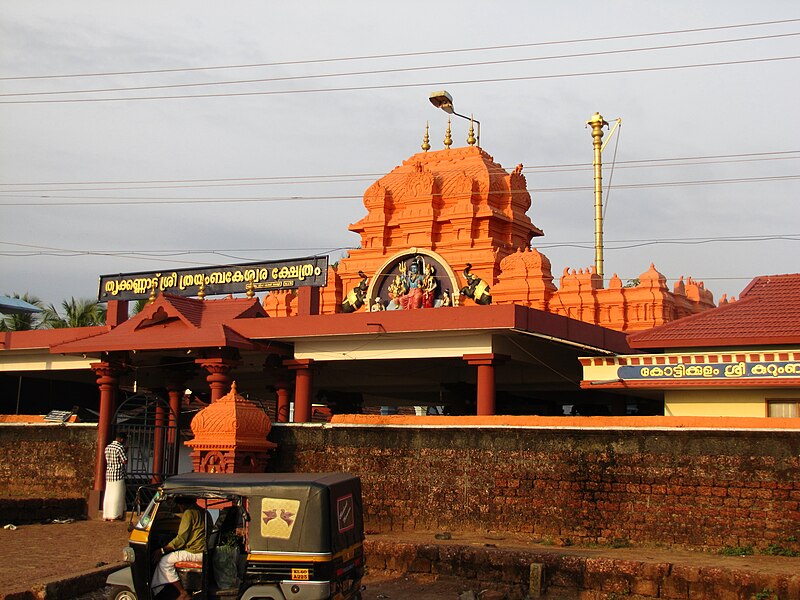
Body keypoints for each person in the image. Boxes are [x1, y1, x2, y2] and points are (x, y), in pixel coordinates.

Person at [151, 496, 208, 600]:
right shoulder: (204, 512)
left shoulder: (189, 513)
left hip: (195, 552)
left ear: (182, 505)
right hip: (204, 551)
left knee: (164, 561)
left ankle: (182, 592)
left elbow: (181, 539)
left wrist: (163, 549)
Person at [102, 432, 127, 521]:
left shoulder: (107, 448)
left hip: (109, 474)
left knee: (108, 494)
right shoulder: (120, 447)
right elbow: (124, 461)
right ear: (122, 440)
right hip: (118, 474)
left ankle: (106, 515)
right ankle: (115, 515)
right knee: (117, 495)